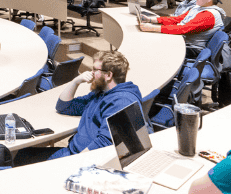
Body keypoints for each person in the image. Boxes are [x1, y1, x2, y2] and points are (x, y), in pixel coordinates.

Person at [14, 52, 142, 163]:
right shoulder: (100, 93)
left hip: (78, 158)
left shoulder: (122, 101)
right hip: (72, 152)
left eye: (94, 70)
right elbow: (64, 106)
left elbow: (105, 144)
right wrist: (75, 81)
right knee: (21, 155)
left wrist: (74, 164)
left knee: (19, 159)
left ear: (108, 75)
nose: (90, 73)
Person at [138, 0, 226, 50]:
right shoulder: (198, 7)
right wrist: (151, 19)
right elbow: (178, 19)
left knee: (151, 44)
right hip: (182, 40)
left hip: (191, 48)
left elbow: (183, 29)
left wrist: (153, 28)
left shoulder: (209, 15)